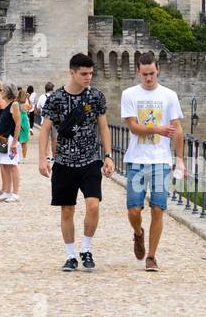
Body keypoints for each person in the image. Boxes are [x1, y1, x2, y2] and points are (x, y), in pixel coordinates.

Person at [38, 53, 115, 271]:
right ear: (72, 73)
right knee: (67, 210)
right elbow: (44, 129)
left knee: (93, 205)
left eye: (91, 73)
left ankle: (86, 248)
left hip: (90, 159)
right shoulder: (56, 99)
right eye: (84, 73)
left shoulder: (96, 97)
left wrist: (108, 155)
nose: (88, 77)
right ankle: (71, 254)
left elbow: (103, 127)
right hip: (64, 161)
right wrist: (42, 159)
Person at [122, 51, 186, 272]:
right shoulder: (129, 94)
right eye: (144, 74)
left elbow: (177, 129)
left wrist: (180, 159)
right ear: (138, 71)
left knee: (158, 208)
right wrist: (158, 128)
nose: (148, 78)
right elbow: (134, 127)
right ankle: (138, 233)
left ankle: (151, 256)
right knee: (134, 210)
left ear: (157, 69)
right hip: (136, 159)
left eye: (152, 73)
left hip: (160, 160)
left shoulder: (169, 95)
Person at [0, 83, 24, 201]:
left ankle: (15, 193)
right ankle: (6, 191)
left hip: (10, 139)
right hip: (2, 138)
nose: (1, 92)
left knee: (12, 165)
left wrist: (15, 142)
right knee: (4, 165)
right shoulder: (7, 105)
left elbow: (18, 123)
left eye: (3, 90)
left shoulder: (14, 104)